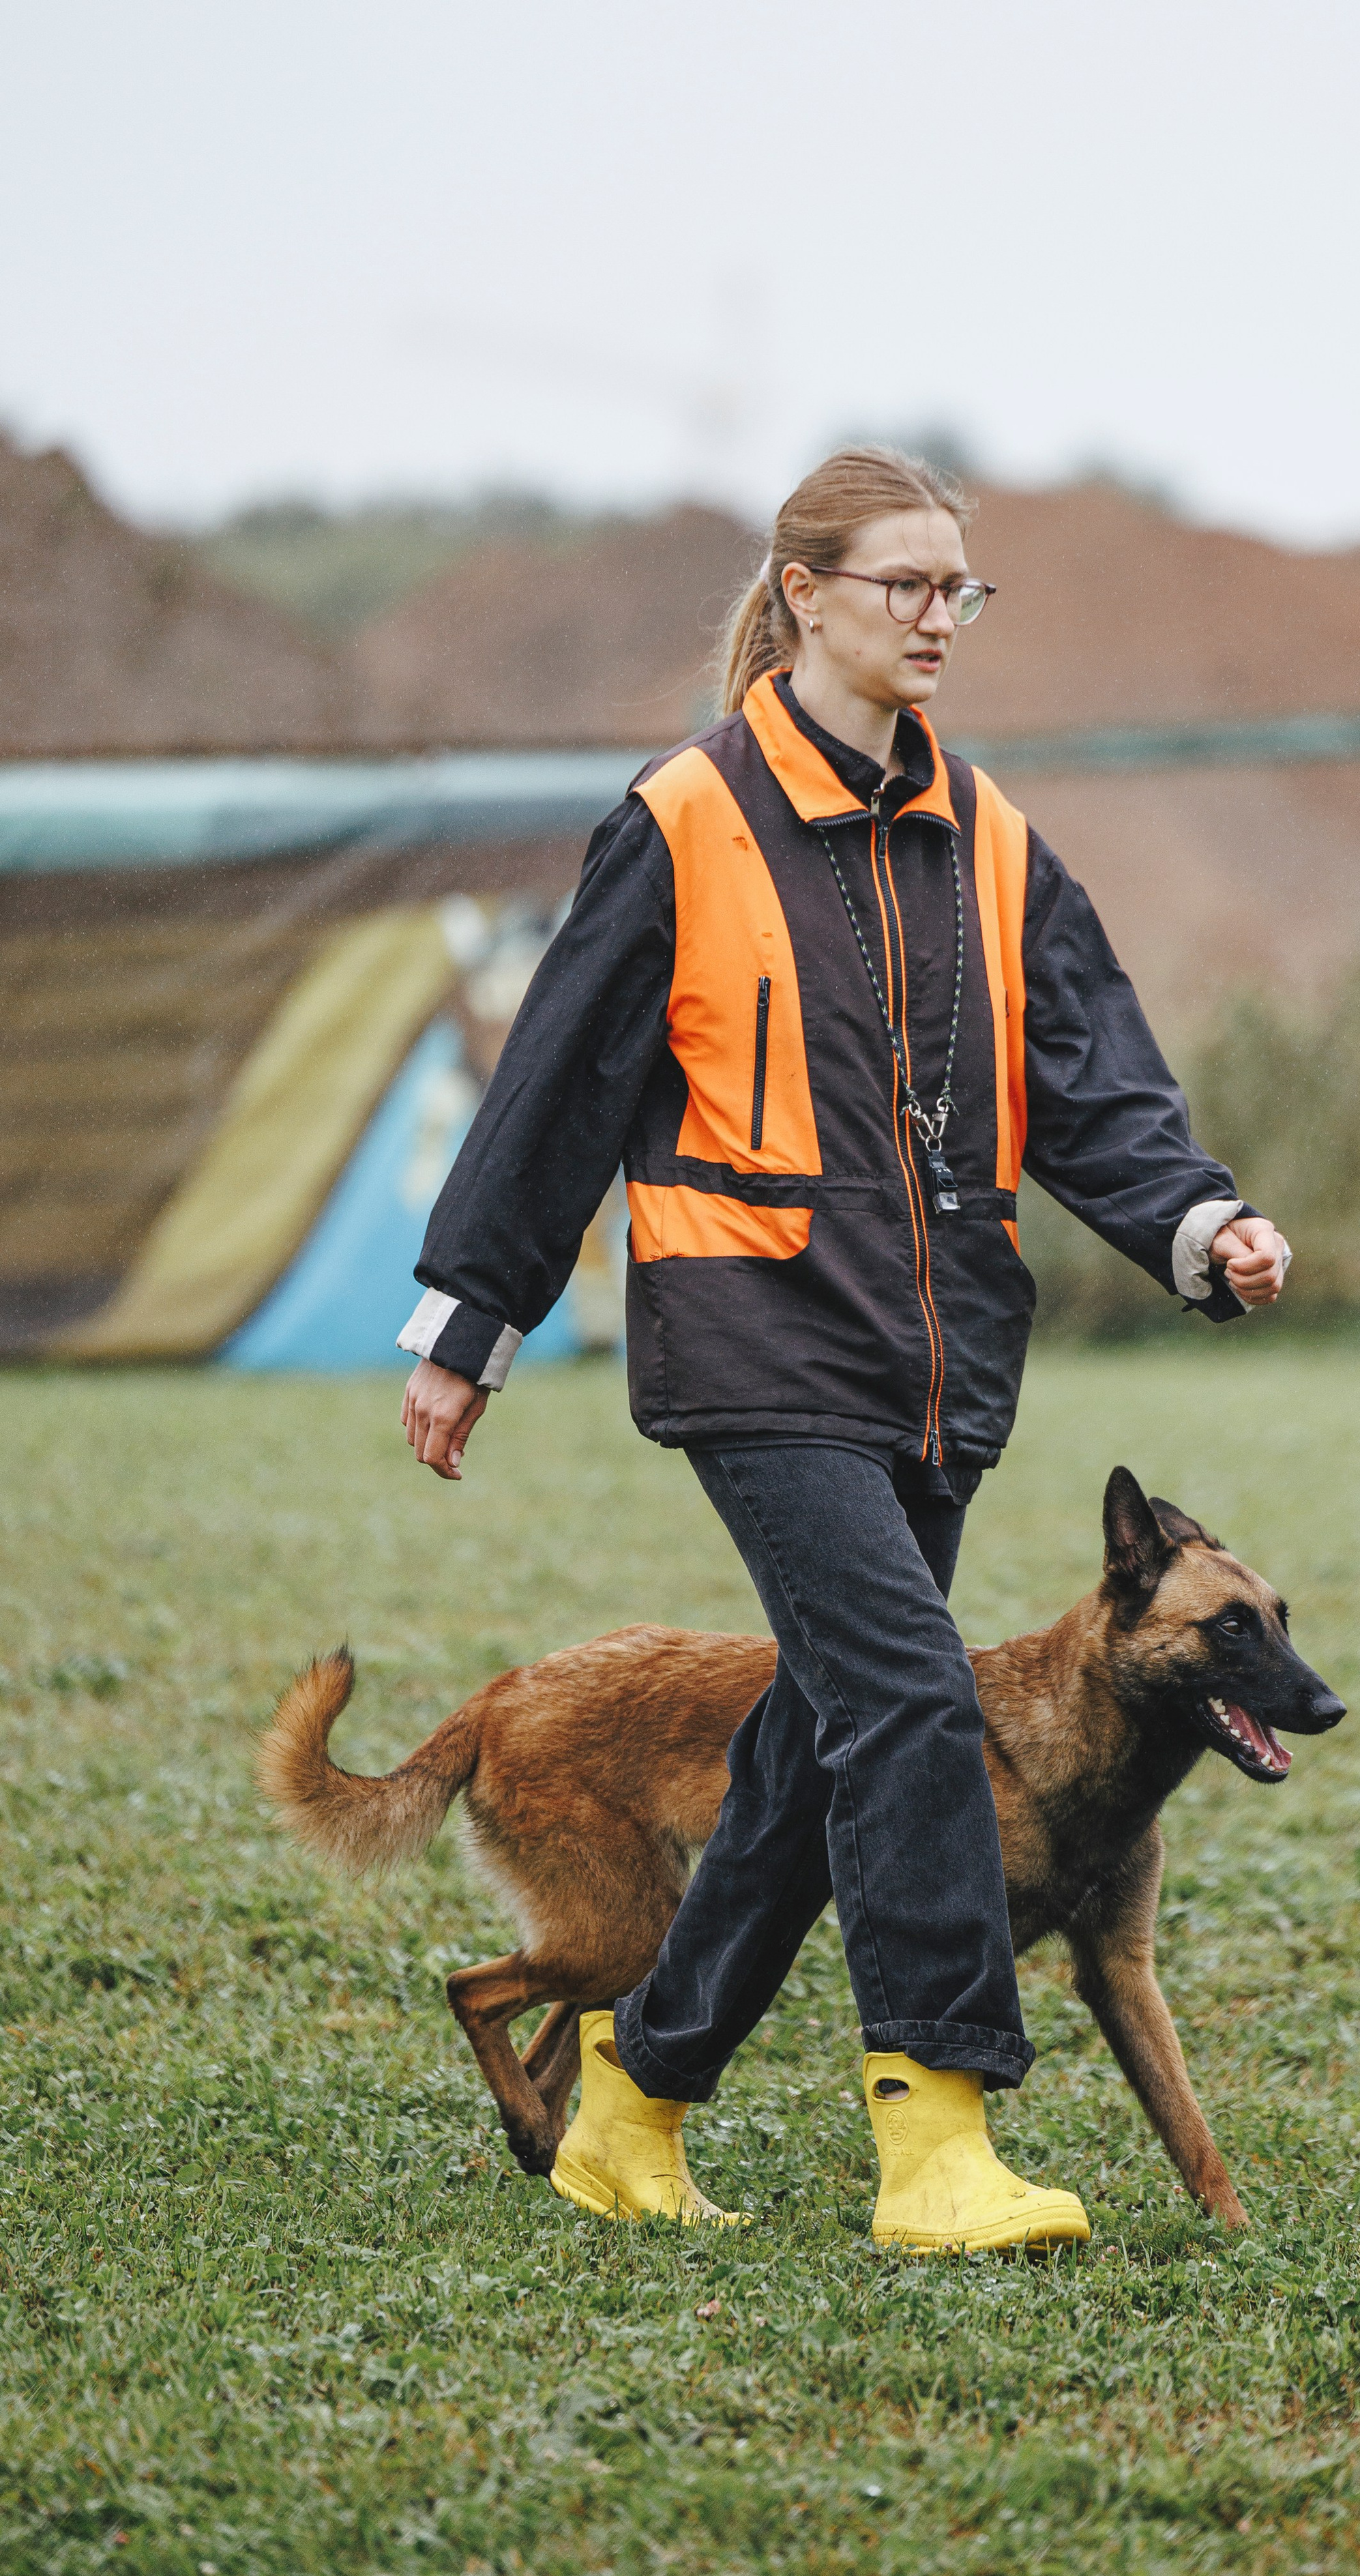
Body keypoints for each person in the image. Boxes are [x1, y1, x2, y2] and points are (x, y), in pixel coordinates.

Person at [398, 446, 1289, 2252]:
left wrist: (1200, 1219)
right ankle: (937, 2138)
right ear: (803, 594)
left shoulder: (998, 839)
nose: (941, 619)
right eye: (906, 585)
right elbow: (560, 1084)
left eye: (962, 589)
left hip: (938, 1367)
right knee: (902, 1704)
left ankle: (630, 2116)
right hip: (754, 1347)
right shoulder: (685, 821)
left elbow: (1091, 1075)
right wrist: (473, 1319)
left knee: (809, 1748)